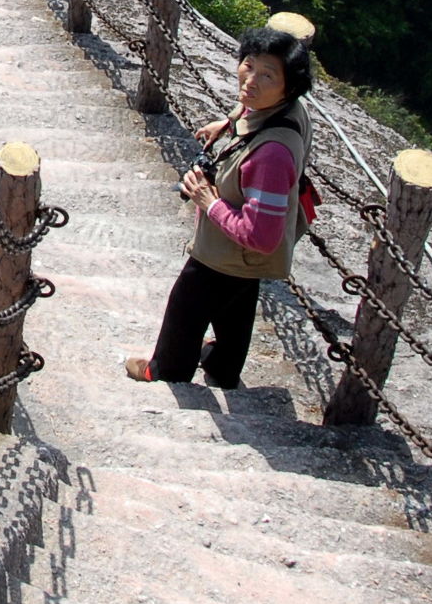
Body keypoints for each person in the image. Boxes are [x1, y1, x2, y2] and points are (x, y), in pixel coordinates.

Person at [125, 25, 314, 386]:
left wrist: (208, 201)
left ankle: (166, 370)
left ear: (289, 86)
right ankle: (223, 369)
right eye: (248, 65)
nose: (250, 80)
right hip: (245, 261)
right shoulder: (287, 110)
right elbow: (249, 105)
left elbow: (260, 237)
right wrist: (227, 123)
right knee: (236, 304)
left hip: (226, 249)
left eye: (267, 75)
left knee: (186, 308)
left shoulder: (272, 156)